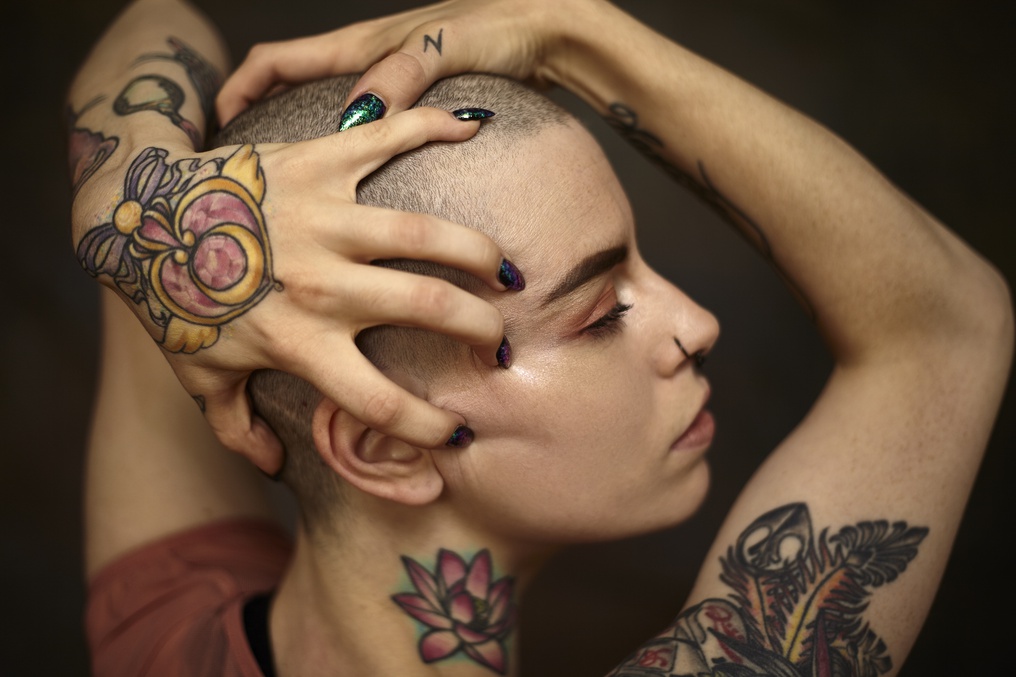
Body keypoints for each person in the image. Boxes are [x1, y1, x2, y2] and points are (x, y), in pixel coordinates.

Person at [70, 1, 1012, 676]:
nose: (697, 325)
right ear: (385, 441)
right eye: (601, 314)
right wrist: (574, 33)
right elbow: (944, 324)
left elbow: (154, 18)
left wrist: (130, 208)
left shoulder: (163, 627)